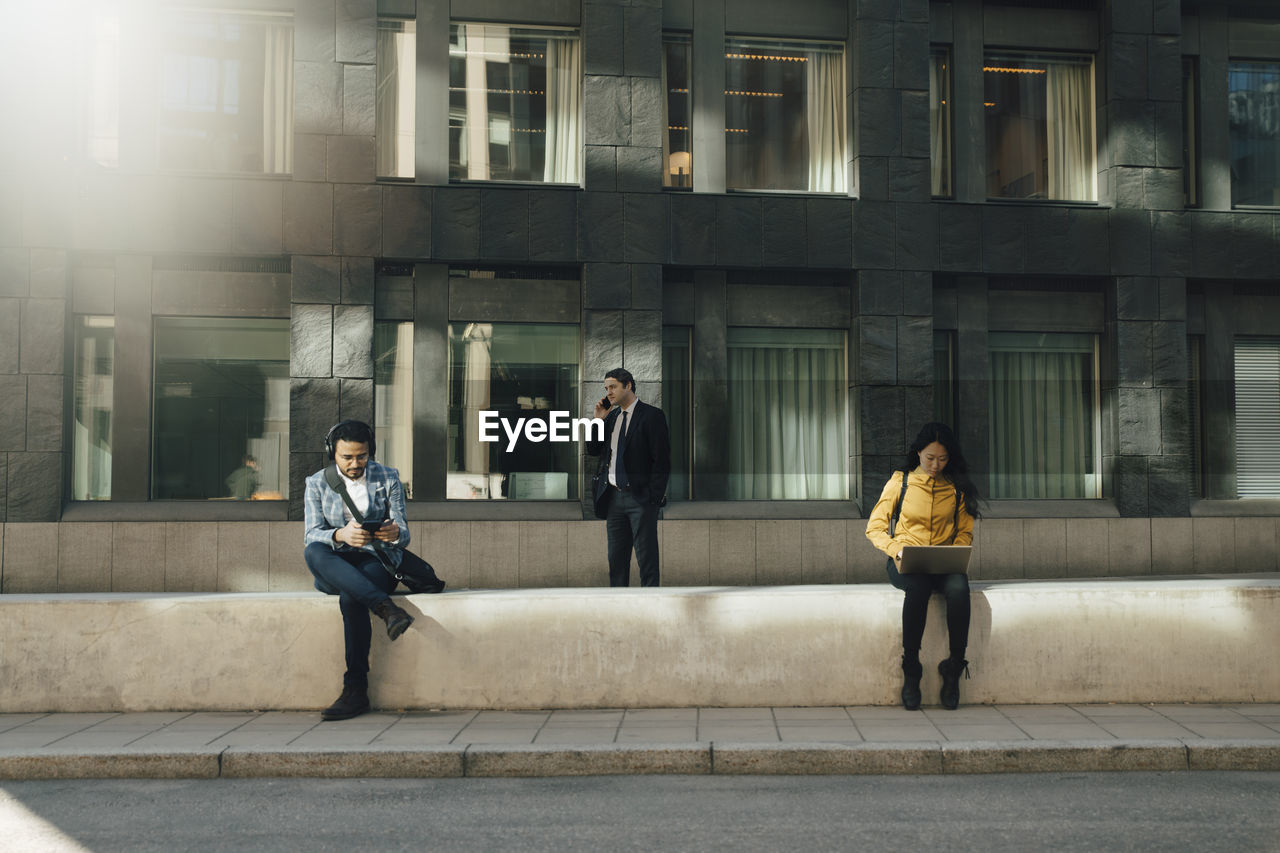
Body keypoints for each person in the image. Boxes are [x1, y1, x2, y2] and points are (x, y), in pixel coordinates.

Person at [865, 422, 982, 711]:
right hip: (906, 562)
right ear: (918, 453)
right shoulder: (900, 482)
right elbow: (875, 528)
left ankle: (954, 666)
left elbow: (965, 531)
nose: (935, 465)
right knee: (917, 588)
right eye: (930, 458)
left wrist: (955, 554)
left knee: (958, 588)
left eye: (942, 459)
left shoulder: (956, 488)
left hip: (944, 562)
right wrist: (897, 550)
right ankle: (911, 667)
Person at [303, 419, 414, 721]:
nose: (355, 464)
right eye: (347, 457)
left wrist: (394, 533)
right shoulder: (316, 482)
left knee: (351, 598)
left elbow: (404, 531)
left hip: (375, 561)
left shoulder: (388, 477)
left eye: (361, 456)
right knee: (314, 550)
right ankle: (386, 608)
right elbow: (312, 533)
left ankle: (355, 690)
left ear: (370, 452)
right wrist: (340, 535)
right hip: (335, 563)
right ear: (332, 453)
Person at [585, 368, 671, 587]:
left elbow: (662, 461)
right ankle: (619, 605)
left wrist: (653, 497)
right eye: (606, 388)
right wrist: (597, 421)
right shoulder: (611, 417)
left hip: (640, 498)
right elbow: (593, 450)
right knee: (616, 559)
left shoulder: (652, 416)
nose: (609, 393)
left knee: (647, 559)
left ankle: (651, 605)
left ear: (628, 385)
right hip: (613, 498)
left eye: (613, 387)